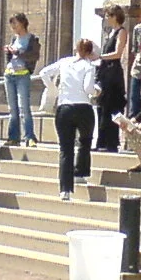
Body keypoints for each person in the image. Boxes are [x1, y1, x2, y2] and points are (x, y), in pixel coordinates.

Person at [39, 39, 99, 202]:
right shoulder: (89, 66)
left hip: (64, 106)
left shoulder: (65, 62)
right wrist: (96, 92)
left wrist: (53, 89)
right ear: (90, 52)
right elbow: (88, 88)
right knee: (85, 140)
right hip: (83, 107)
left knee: (66, 149)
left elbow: (44, 72)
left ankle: (65, 189)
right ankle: (80, 172)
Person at [2, 13, 41, 146]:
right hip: (9, 74)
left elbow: (34, 56)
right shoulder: (14, 38)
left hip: (22, 74)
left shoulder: (32, 39)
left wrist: (17, 52)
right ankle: (13, 137)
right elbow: (11, 58)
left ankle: (29, 136)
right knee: (12, 108)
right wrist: (9, 52)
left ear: (23, 23)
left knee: (24, 106)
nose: (13, 26)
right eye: (12, 23)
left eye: (15, 23)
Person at [95, 5, 128, 152]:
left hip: (113, 73)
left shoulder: (121, 32)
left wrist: (100, 56)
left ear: (115, 16)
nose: (106, 19)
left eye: (108, 16)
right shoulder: (110, 32)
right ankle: (101, 141)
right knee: (102, 107)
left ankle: (111, 142)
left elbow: (118, 53)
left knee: (111, 106)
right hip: (105, 72)